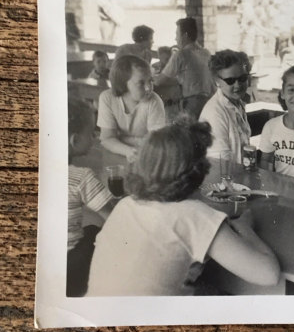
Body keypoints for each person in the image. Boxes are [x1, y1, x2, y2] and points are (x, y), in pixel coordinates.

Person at [86, 118, 280, 296]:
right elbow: (269, 275)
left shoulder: (125, 204)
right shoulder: (193, 214)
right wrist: (245, 228)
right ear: (198, 170)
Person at [67, 97, 115, 297]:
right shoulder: (82, 176)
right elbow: (114, 218)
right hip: (70, 268)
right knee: (98, 231)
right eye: (91, 132)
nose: (95, 136)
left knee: (90, 229)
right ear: (75, 140)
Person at [97, 55, 166, 161]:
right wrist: (128, 151)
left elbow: (155, 143)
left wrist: (121, 139)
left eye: (150, 81)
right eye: (141, 83)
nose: (149, 88)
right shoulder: (107, 98)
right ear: (123, 83)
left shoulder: (154, 101)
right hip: (120, 154)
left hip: (146, 157)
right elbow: (106, 138)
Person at [155, 17, 215, 119]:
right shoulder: (206, 52)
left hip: (193, 105)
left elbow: (159, 81)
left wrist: (151, 77)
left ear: (185, 36)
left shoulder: (181, 54)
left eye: (177, 35)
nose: (175, 38)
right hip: (210, 102)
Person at [199, 50, 252, 164]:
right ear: (217, 81)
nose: (237, 85)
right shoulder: (214, 113)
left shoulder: (237, 103)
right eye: (230, 81)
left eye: (242, 78)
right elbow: (220, 163)